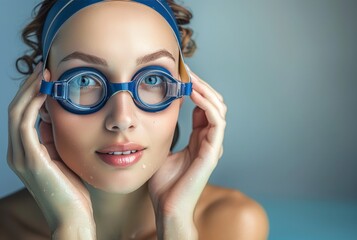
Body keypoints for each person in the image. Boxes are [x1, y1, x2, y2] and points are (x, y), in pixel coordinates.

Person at [0, 0, 269, 239]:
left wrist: (176, 224)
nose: (122, 119)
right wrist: (72, 228)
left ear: (183, 93)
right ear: (42, 99)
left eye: (152, 79)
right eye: (84, 81)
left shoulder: (234, 224)